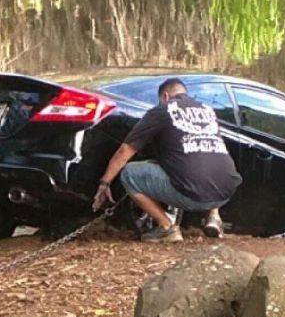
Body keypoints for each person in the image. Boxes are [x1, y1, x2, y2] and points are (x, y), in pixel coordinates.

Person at [92, 77, 242, 243]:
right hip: (226, 192)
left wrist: (104, 183)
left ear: (165, 96)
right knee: (206, 157)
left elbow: (125, 150)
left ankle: (166, 227)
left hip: (193, 196)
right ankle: (214, 217)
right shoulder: (207, 110)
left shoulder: (163, 110)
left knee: (129, 173)